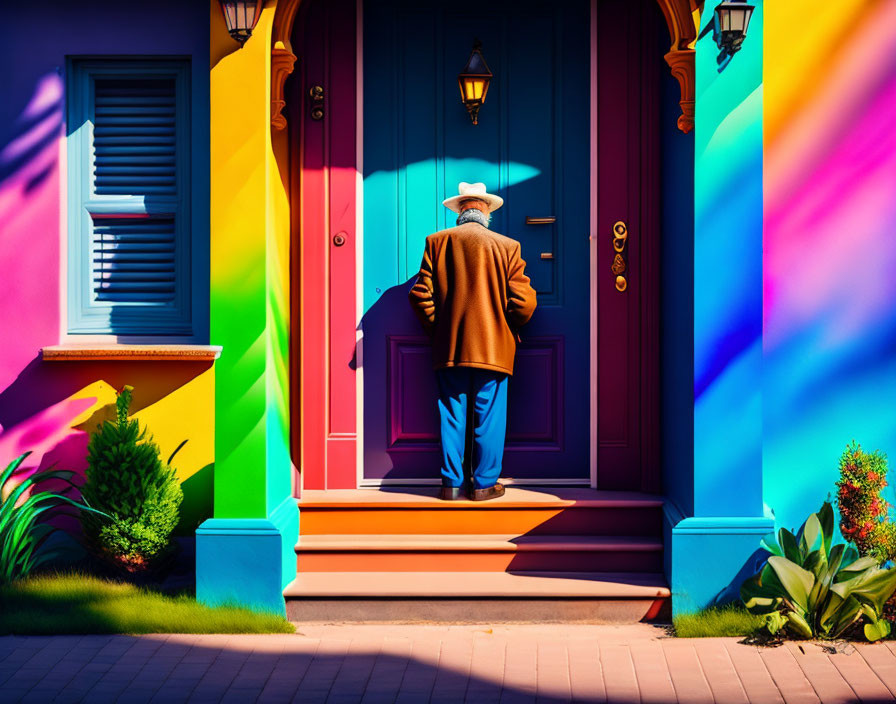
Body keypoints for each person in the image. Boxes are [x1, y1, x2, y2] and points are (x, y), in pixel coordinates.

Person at [408, 182, 537, 501]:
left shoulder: (437, 242)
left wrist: (441, 328)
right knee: (489, 416)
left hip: (449, 347)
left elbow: (420, 295)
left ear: (460, 213)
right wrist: (503, 325)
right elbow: (525, 302)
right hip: (493, 349)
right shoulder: (507, 246)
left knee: (452, 413)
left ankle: (451, 484)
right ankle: (483, 485)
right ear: (486, 213)